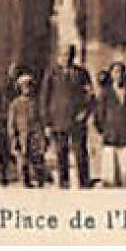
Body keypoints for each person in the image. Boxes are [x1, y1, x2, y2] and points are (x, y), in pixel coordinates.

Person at [40, 45, 93, 189]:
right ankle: (63, 182)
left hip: (77, 119)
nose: (66, 58)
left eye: (69, 55)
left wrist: (85, 113)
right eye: (63, 55)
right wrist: (46, 123)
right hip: (58, 120)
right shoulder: (52, 74)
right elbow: (44, 98)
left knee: (80, 151)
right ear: (59, 56)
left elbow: (90, 95)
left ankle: (84, 181)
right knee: (60, 151)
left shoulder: (82, 73)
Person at [95, 62, 126, 188]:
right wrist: (103, 130)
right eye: (115, 72)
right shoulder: (105, 93)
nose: (118, 75)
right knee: (110, 178)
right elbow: (99, 114)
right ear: (111, 74)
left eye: (121, 72)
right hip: (111, 137)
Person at [6, 72, 44, 187]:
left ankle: (39, 178)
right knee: (22, 158)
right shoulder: (15, 104)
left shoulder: (35, 103)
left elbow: (40, 118)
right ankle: (24, 180)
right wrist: (13, 136)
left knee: (37, 157)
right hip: (21, 134)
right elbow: (11, 122)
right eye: (24, 86)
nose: (27, 89)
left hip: (34, 134)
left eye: (29, 86)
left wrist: (42, 134)